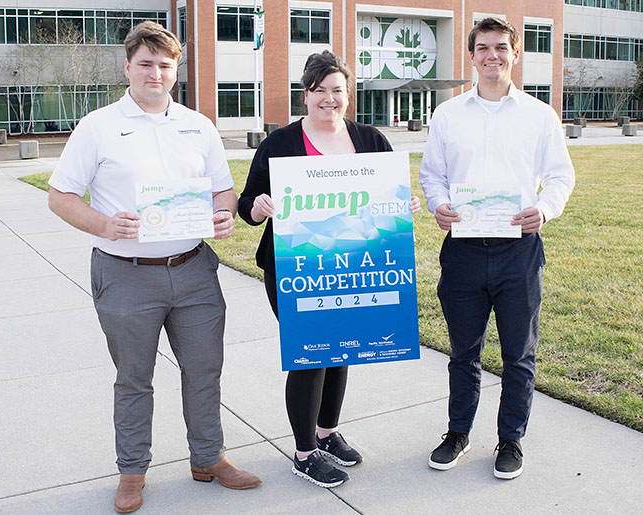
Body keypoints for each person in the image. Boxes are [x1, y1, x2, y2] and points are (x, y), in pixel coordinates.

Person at [47, 21, 260, 513]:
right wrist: (103, 225)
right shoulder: (98, 125)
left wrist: (223, 214)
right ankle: (132, 472)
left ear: (176, 70)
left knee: (205, 370)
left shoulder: (197, 125)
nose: (155, 73)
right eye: (146, 63)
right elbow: (60, 196)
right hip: (126, 273)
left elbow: (221, 190)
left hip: (192, 270)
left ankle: (209, 458)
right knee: (134, 378)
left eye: (165, 65)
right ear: (128, 67)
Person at [238, 50, 419, 488]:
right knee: (311, 353)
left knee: (344, 348)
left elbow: (387, 198)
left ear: (348, 94)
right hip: (294, 267)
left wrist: (404, 206)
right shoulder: (279, 144)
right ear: (305, 95)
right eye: (319, 91)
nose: (329, 99)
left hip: (356, 265)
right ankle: (304, 453)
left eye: (337, 90)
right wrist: (259, 207)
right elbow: (246, 203)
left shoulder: (371, 139)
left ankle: (326, 432)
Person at [419, 17, 575, 480]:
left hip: (518, 251)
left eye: (501, 47)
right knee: (463, 353)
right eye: (483, 47)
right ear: (471, 56)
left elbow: (562, 176)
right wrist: (439, 204)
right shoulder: (448, 115)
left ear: (515, 53)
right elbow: (432, 175)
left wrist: (544, 209)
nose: (492, 55)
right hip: (463, 250)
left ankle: (511, 440)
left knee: (518, 355)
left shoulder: (539, 116)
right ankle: (458, 433)